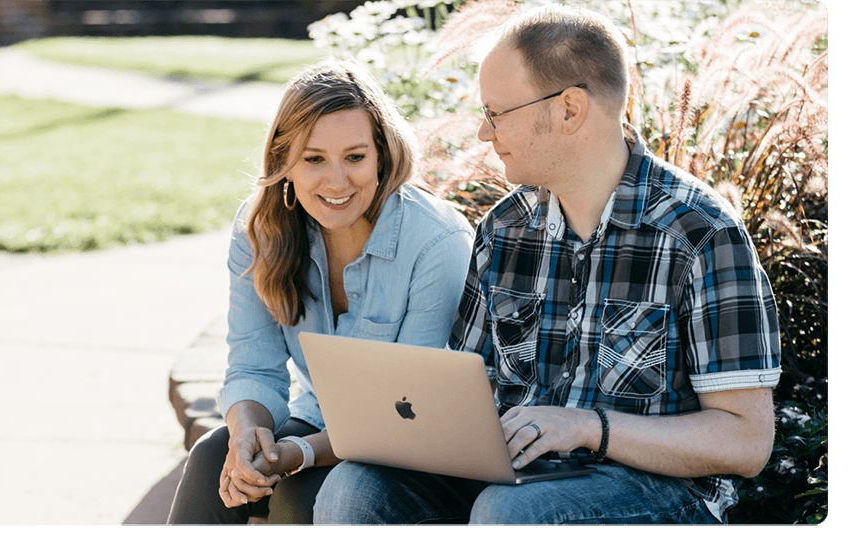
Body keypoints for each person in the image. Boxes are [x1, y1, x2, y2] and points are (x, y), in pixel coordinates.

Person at [312, 4, 781, 525]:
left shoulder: (700, 233)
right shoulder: (503, 229)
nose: (484, 133)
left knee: (508, 512)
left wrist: (587, 427)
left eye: (496, 112)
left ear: (569, 110)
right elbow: (470, 393)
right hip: (516, 476)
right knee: (355, 488)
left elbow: (746, 439)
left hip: (661, 493)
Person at [167, 59, 474, 524]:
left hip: (412, 443)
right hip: (321, 418)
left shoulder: (436, 242)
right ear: (284, 162)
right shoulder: (261, 231)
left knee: (298, 497)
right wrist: (248, 434)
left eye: (355, 157)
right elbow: (253, 363)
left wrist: (295, 453)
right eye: (314, 159)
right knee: (214, 458)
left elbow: (409, 410)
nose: (336, 182)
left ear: (381, 157)